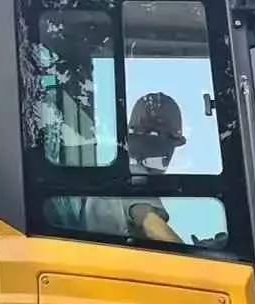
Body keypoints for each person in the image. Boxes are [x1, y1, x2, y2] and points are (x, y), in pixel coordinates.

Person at [79, 92, 187, 244]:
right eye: (170, 145)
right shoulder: (135, 176)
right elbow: (151, 225)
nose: (169, 155)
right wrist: (200, 259)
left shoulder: (114, 175)